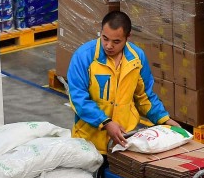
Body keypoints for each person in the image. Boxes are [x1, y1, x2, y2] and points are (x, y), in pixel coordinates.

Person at [67, 11, 180, 155]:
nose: (108, 46)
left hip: (125, 140)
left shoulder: (137, 58)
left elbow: (145, 96)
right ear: (101, 32)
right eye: (105, 38)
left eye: (116, 42)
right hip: (89, 142)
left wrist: (164, 119)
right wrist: (106, 122)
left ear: (127, 37)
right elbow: (78, 98)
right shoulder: (84, 57)